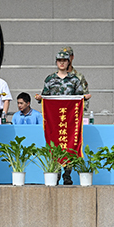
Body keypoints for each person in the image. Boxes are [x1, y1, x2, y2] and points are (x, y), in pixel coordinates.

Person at [35, 50, 84, 185]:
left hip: (69, 120)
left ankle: (67, 174)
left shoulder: (74, 80)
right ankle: (55, 172)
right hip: (54, 120)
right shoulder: (50, 79)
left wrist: (84, 98)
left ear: (69, 62)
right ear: (56, 62)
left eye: (64, 61)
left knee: (69, 144)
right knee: (55, 143)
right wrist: (40, 98)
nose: (62, 63)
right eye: (59, 61)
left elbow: (79, 98)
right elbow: (45, 97)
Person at [61, 46, 92, 111]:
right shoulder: (53, 78)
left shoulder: (79, 77)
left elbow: (84, 97)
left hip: (73, 114)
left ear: (72, 57)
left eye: (68, 56)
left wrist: (81, 112)